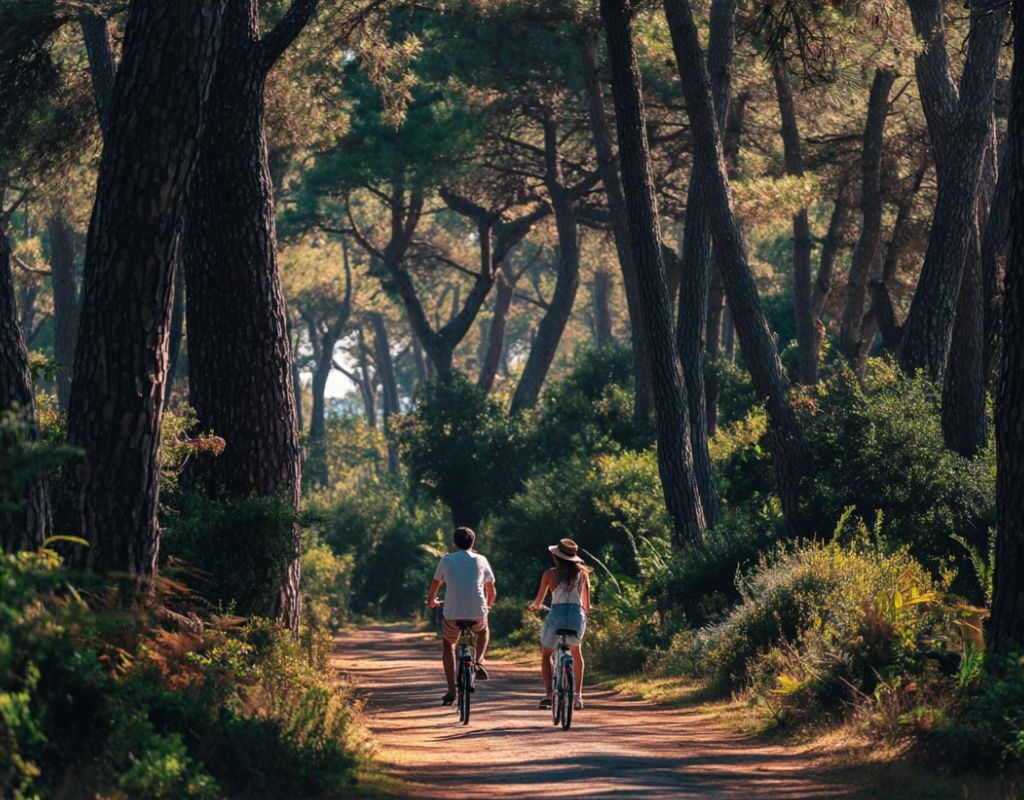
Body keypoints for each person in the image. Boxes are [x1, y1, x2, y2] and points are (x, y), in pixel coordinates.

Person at [426, 526, 497, 706]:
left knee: (448, 644)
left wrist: (432, 602)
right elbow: (492, 592)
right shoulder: (482, 560)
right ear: (473, 543)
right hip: (477, 612)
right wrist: (486, 607)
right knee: (483, 630)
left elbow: (435, 588)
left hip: (452, 613)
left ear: (454, 544)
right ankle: (479, 661)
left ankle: (451, 690)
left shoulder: (446, 560)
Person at [527, 537, 591, 710]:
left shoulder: (549, 574)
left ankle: (549, 695)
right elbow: (586, 605)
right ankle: (578, 696)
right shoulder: (583, 575)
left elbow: (538, 602)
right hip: (577, 616)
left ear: (557, 557)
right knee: (576, 653)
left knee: (547, 654)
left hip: (557, 615)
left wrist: (534, 607)